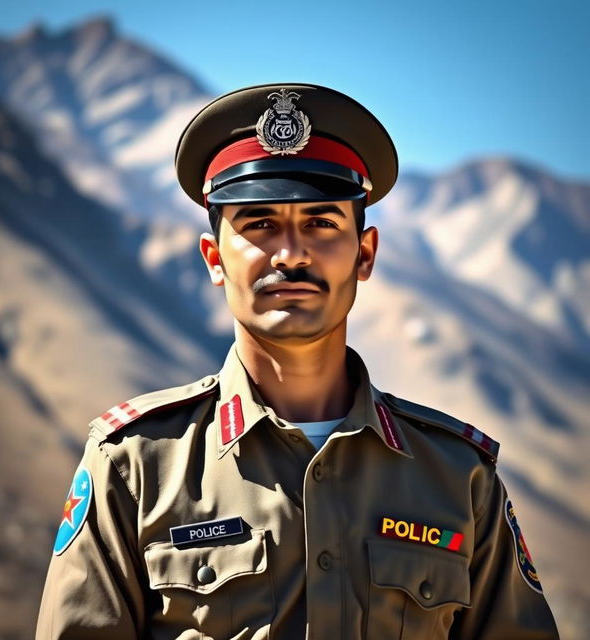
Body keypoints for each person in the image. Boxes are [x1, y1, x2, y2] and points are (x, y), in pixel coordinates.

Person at [36, 83, 559, 639]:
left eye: (322, 223)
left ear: (365, 254)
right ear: (214, 259)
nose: (291, 254)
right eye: (259, 224)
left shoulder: (458, 476)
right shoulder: (135, 466)